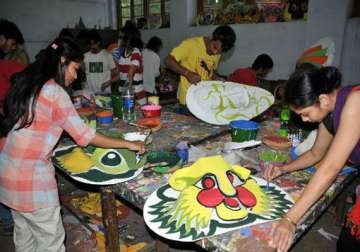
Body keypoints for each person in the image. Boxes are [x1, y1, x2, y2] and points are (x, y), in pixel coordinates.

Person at [0, 37, 145, 251]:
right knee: (51, 243)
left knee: (25, 239)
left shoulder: (31, 83)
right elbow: (86, 137)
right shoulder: (55, 92)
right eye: (75, 68)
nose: (76, 76)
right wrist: (126, 144)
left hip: (8, 177)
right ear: (63, 60)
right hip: (33, 185)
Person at [263, 67, 360, 252]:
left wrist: (289, 219)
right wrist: (283, 169)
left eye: (305, 114)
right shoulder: (329, 113)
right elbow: (316, 153)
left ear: (322, 99)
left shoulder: (355, 101)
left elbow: (331, 167)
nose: (305, 120)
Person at [164, 25, 236, 106]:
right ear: (211, 36)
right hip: (187, 101)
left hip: (205, 101)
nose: (214, 52)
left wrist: (217, 78)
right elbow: (168, 60)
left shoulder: (217, 54)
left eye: (219, 52)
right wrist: (187, 73)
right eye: (214, 47)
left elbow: (211, 72)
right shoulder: (191, 44)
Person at [103, 32, 146, 105]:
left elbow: (131, 72)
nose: (120, 42)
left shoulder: (136, 52)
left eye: (122, 39)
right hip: (124, 92)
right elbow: (121, 75)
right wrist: (108, 82)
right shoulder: (123, 54)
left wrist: (129, 90)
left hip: (135, 93)